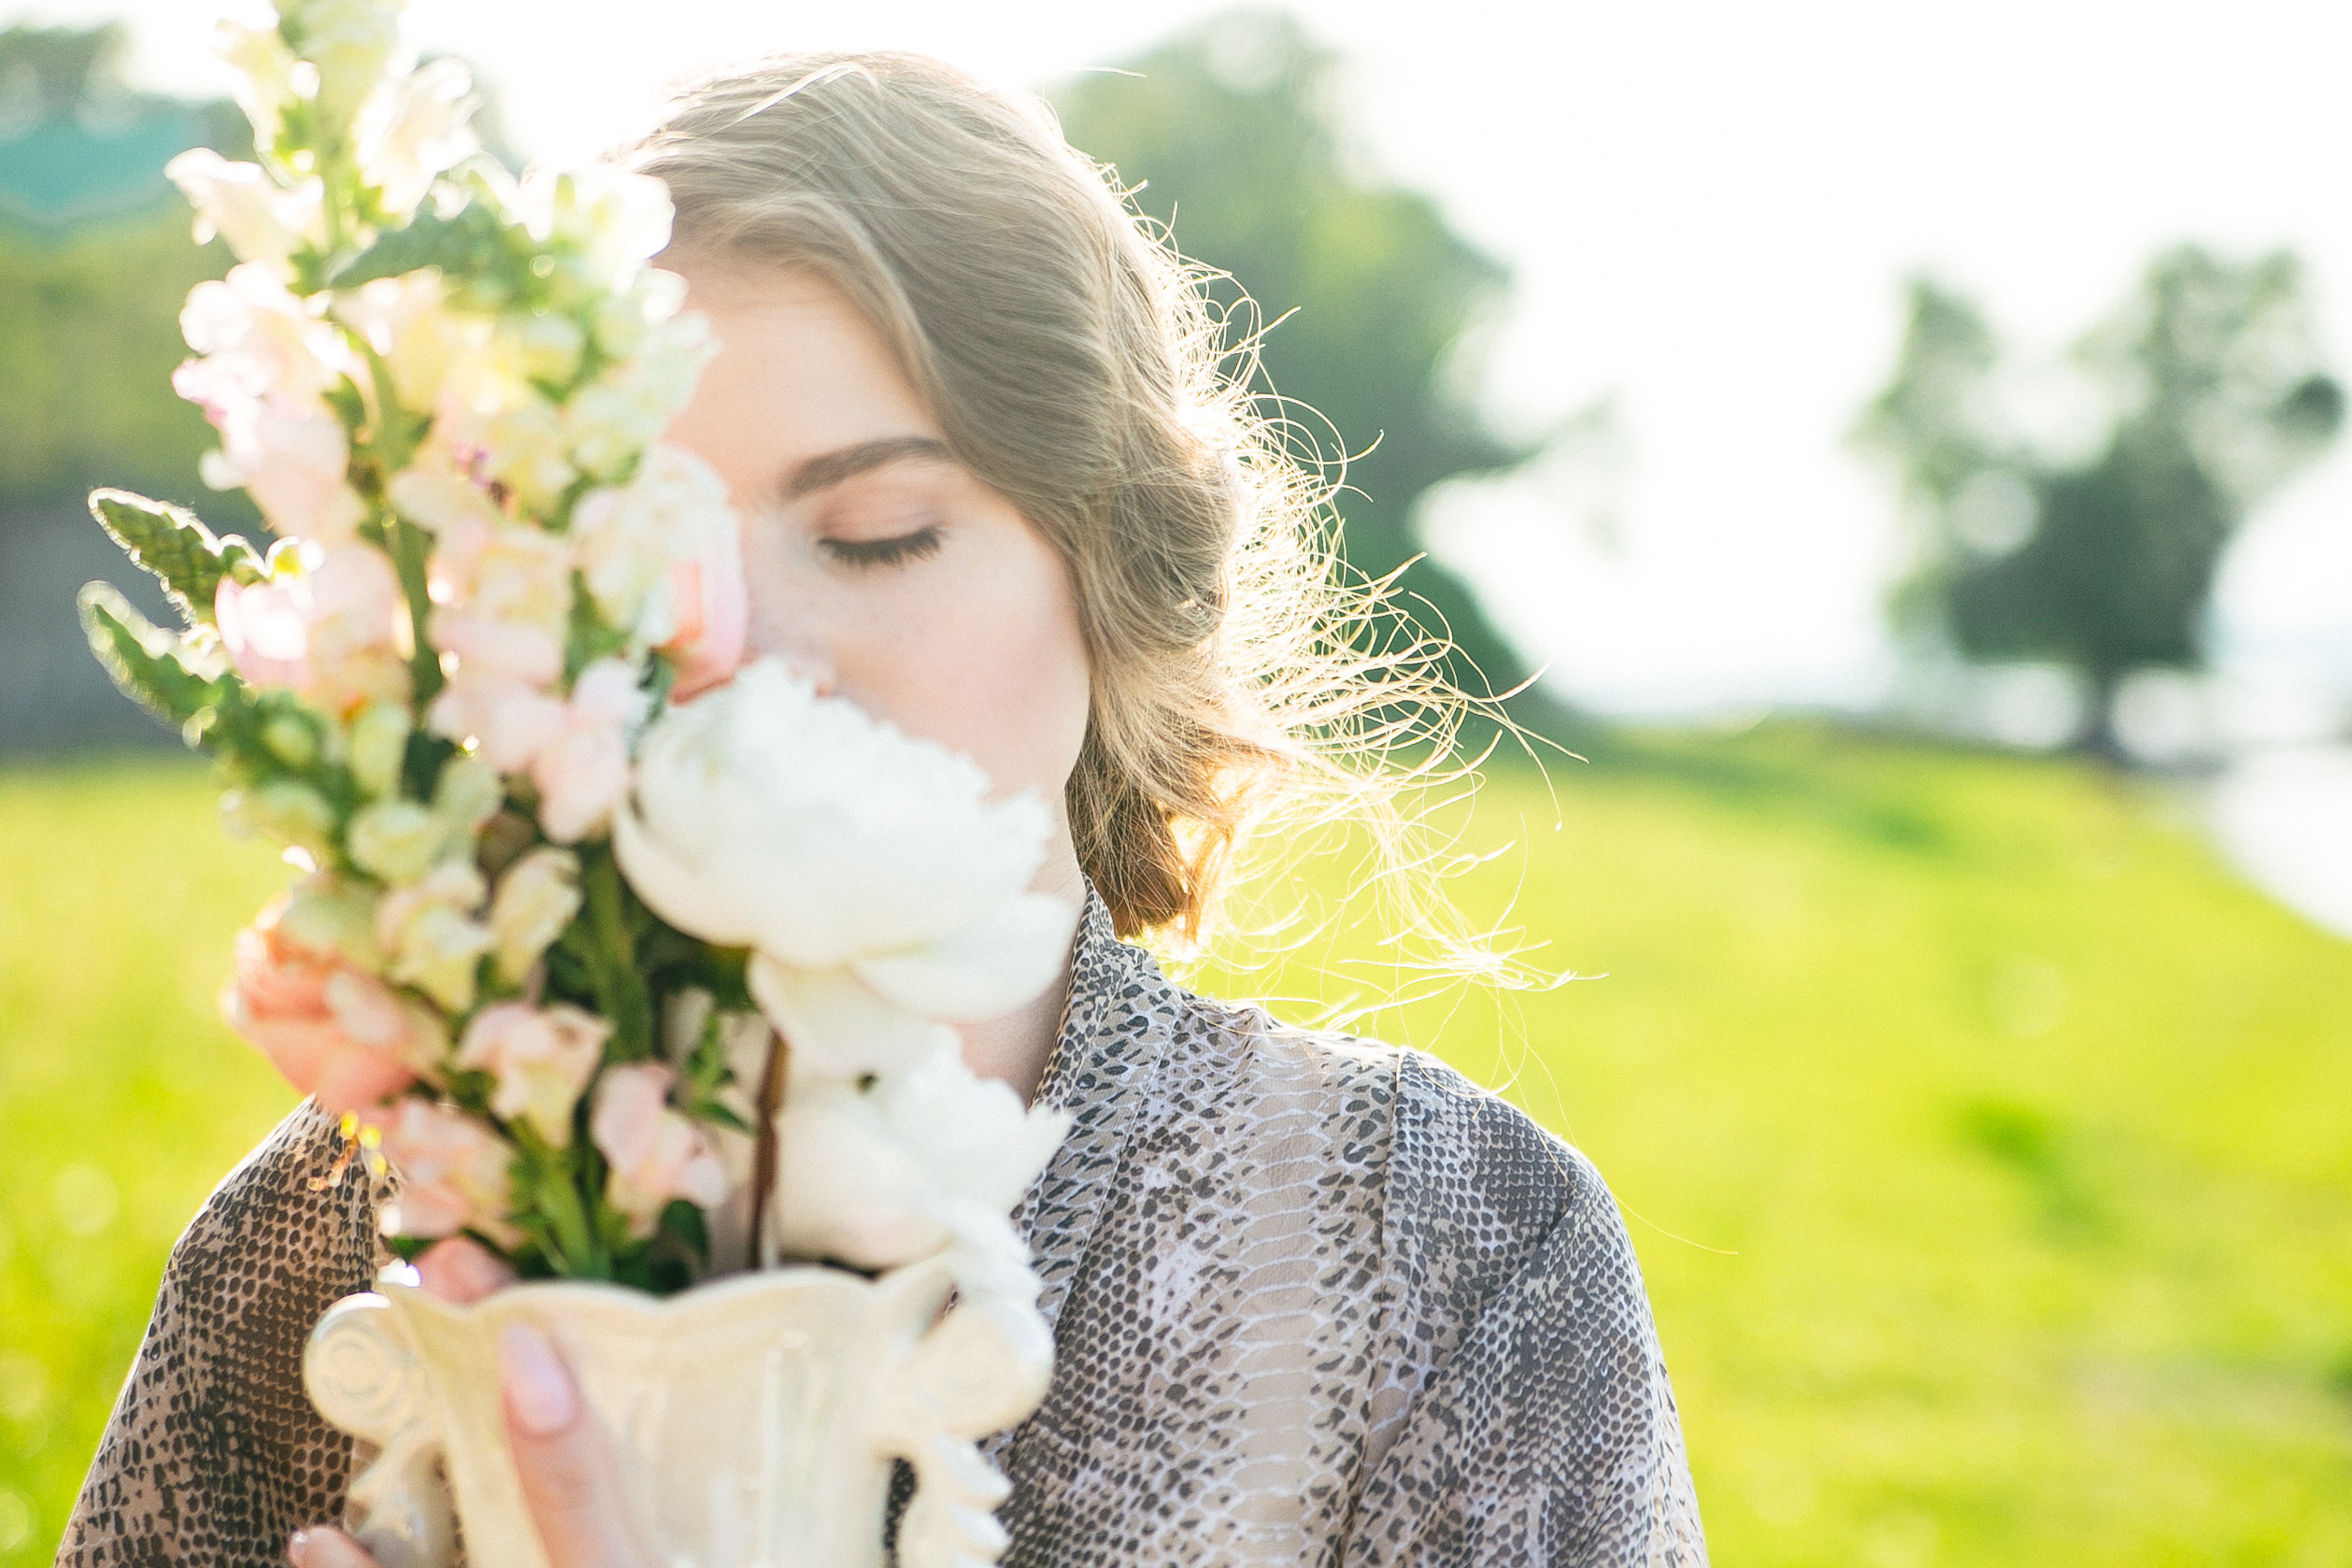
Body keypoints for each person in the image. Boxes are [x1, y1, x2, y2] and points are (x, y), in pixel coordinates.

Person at [59, 51, 1706, 1568]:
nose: (734, 655)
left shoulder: (1444, 1252)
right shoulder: (347, 1241)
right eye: (642, 561)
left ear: (1115, 562)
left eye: (877, 534)